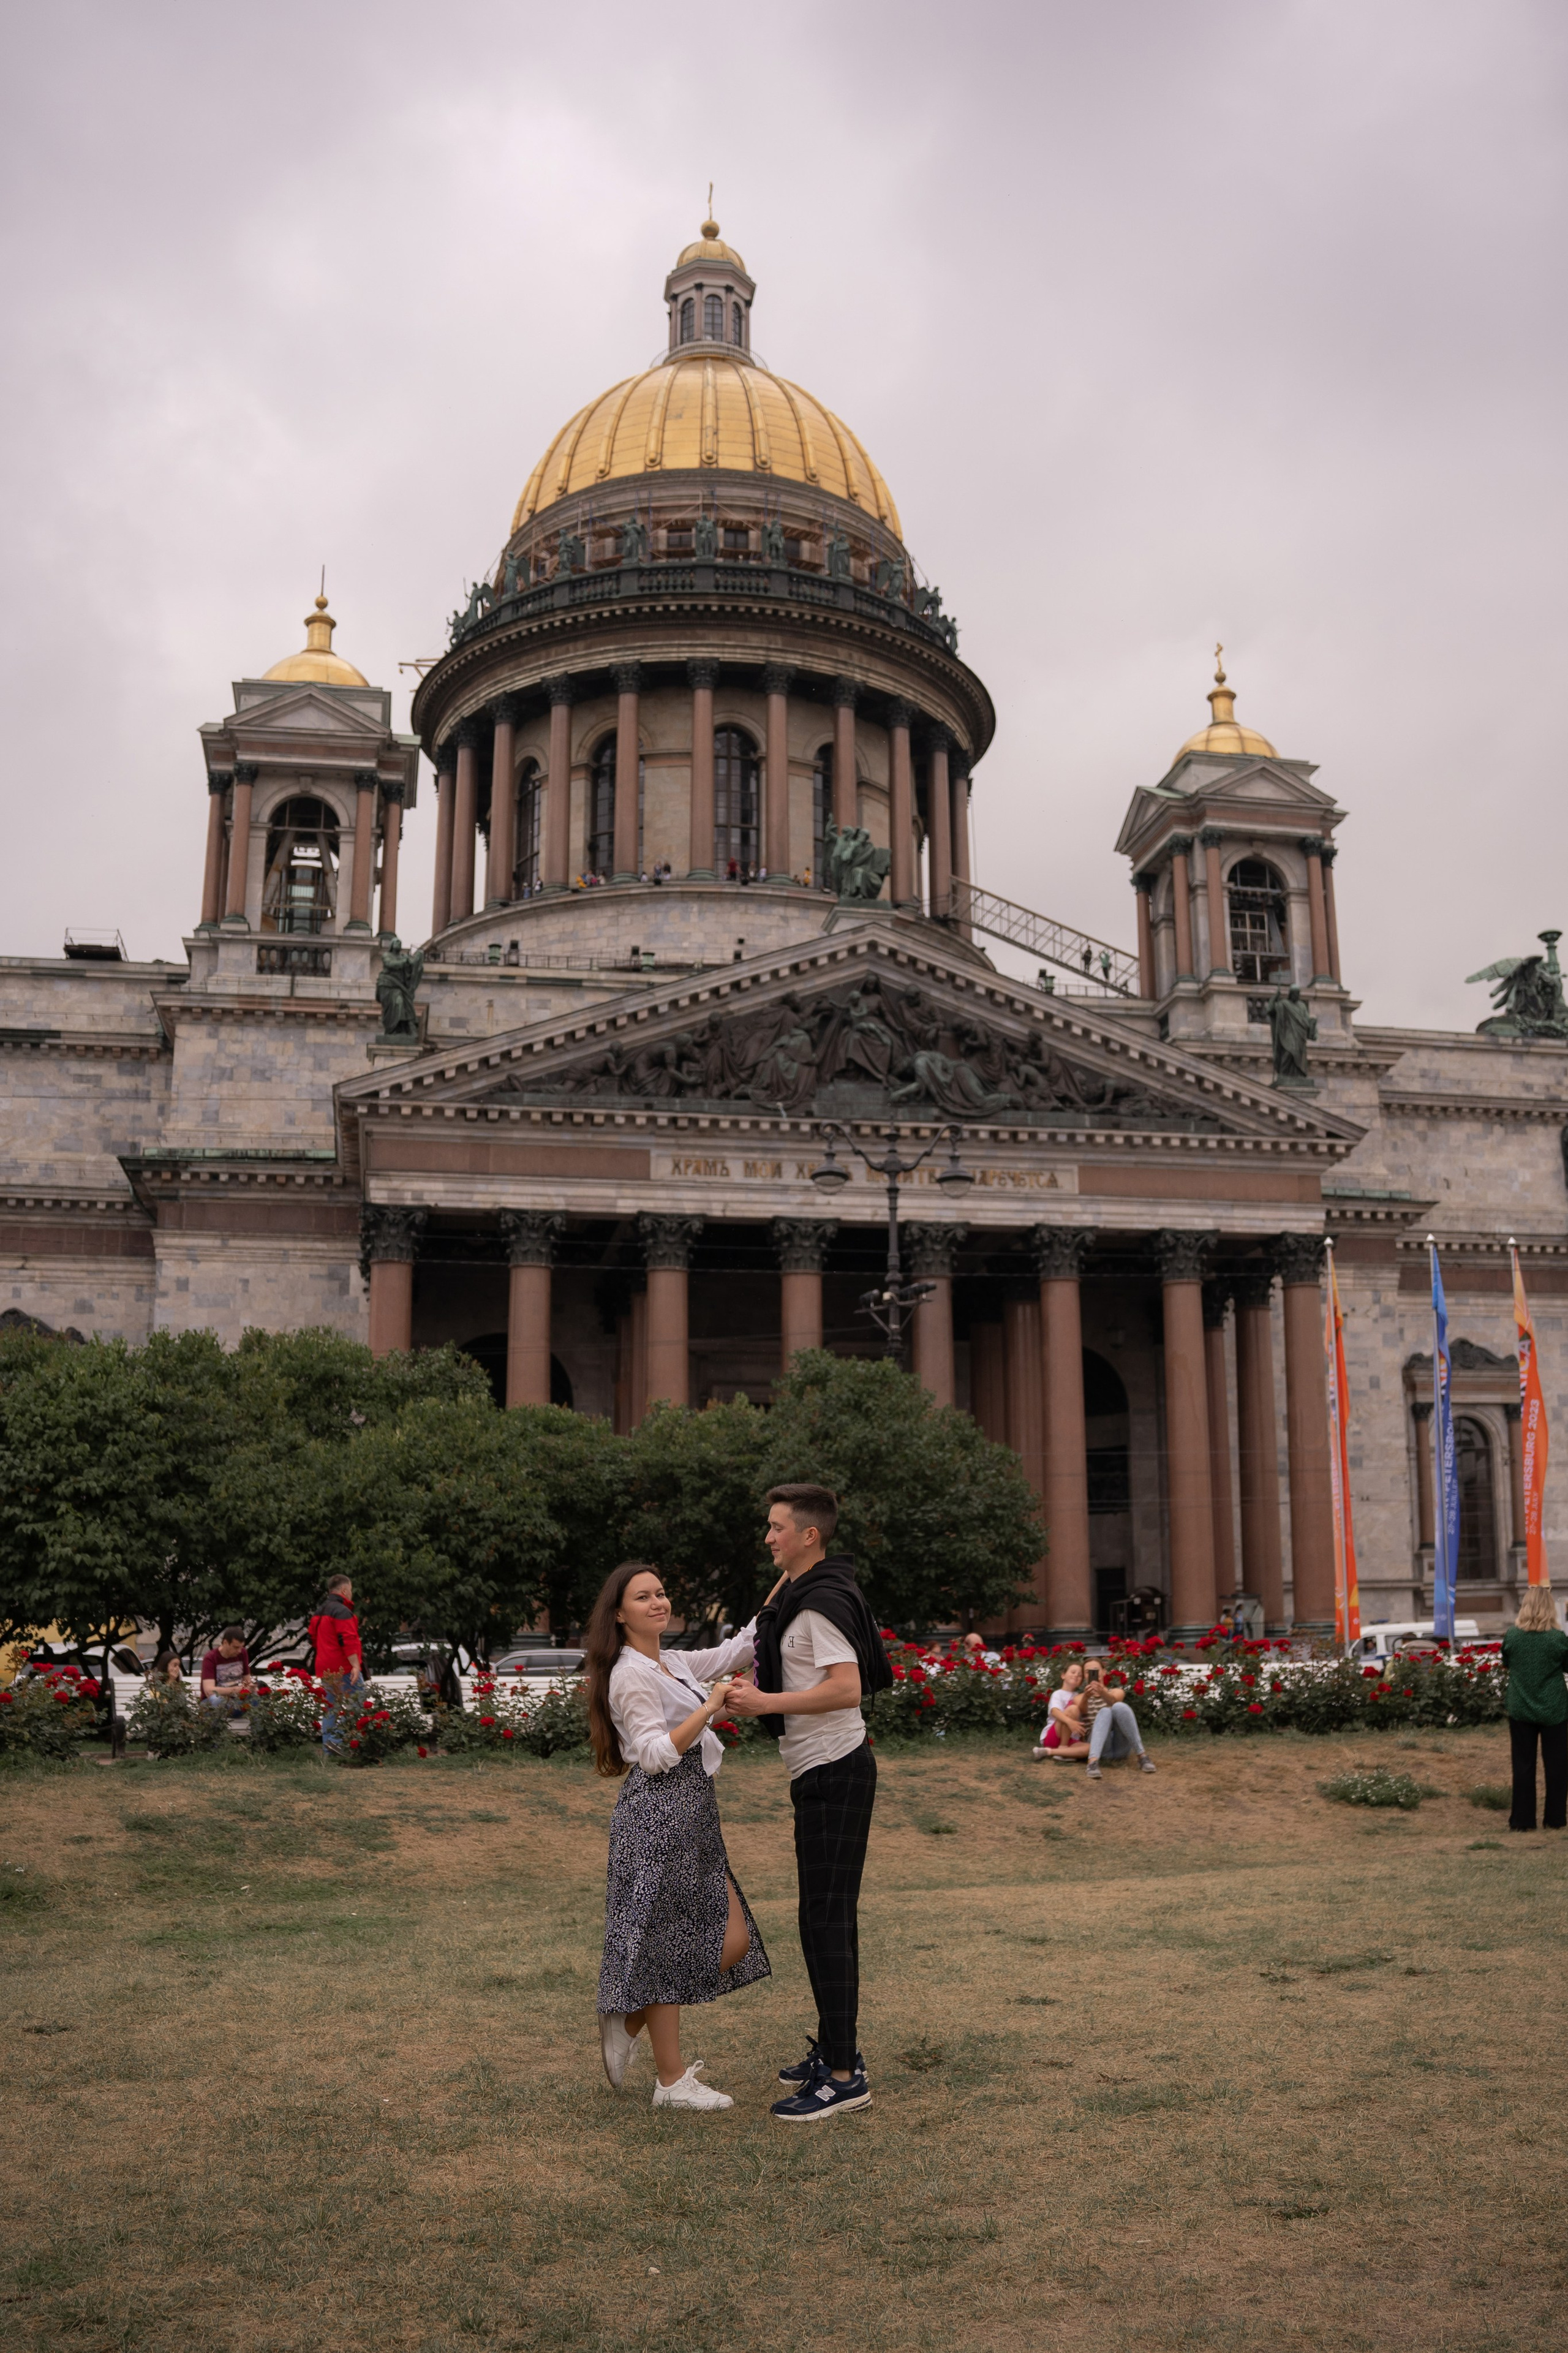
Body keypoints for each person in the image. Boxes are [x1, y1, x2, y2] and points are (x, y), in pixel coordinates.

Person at [725, 1483, 891, 2122]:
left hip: (836, 1772)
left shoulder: (819, 1605)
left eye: (776, 1527)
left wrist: (763, 1703)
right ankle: (837, 2050)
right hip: (821, 1773)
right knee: (824, 1918)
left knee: (824, 1921)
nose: (768, 1537)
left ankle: (844, 2076)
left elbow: (845, 1688)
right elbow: (772, 1613)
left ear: (809, 1534)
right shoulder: (805, 1591)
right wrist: (785, 1576)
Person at [588, 1562, 769, 2111]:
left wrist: (789, 1586)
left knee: (731, 1938)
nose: (657, 1603)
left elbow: (738, 1648)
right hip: (658, 1816)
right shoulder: (629, 1673)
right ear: (620, 1613)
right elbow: (653, 1754)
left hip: (694, 1816)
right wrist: (711, 1708)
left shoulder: (670, 1661)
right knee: (672, 1942)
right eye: (643, 1597)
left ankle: (630, 2014)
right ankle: (670, 2082)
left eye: (661, 1593)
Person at [1502, 1583, 1568, 1831]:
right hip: (1554, 1708)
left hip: (1520, 1707)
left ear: (1525, 1606)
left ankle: (1522, 1821)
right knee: (1557, 1766)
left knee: (1523, 1765)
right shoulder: (1557, 1638)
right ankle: (1555, 1819)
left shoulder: (1513, 1636)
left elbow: (1506, 1662)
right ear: (1550, 1608)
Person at [310, 1575, 365, 1756]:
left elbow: (314, 1638)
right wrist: (355, 1665)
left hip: (325, 1667)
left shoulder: (319, 1612)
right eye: (350, 1590)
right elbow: (347, 1640)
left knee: (330, 1709)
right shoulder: (342, 1612)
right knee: (359, 1703)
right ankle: (337, 1740)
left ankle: (329, 1752)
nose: (351, 1593)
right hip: (343, 1667)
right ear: (344, 1591)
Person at [1082, 1660, 1156, 1781]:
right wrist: (1086, 1696)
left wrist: (1102, 1692)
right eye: (1087, 1672)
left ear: (1104, 1672)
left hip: (1120, 1748)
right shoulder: (1081, 1697)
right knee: (1105, 1712)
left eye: (1095, 1670)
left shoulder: (1117, 1692)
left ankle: (1142, 1756)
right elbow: (1082, 1711)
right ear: (1084, 1676)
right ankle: (1093, 1762)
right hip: (1101, 1748)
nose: (1092, 1673)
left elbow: (1113, 1702)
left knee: (1119, 1707)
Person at [1032, 1660, 1088, 1760]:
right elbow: (1055, 1711)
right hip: (1054, 1736)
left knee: (1090, 1749)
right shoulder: (1058, 1694)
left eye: (1080, 1675)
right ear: (1063, 1676)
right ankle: (1063, 1747)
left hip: (1072, 1739)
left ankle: (1048, 1752)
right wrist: (1070, 1722)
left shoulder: (1079, 1696)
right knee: (1073, 1709)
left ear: (1081, 1683)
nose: (1076, 1675)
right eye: (1073, 1672)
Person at [198, 1627, 255, 1715]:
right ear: (225, 1643)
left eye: (241, 1647)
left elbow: (247, 1681)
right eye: (236, 1647)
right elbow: (209, 1691)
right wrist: (235, 1690)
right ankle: (215, 1729)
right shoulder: (211, 1658)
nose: (239, 1651)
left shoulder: (243, 1653)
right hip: (211, 1703)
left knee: (260, 1698)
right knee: (216, 1700)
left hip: (236, 1703)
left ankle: (260, 1728)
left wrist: (251, 1688)